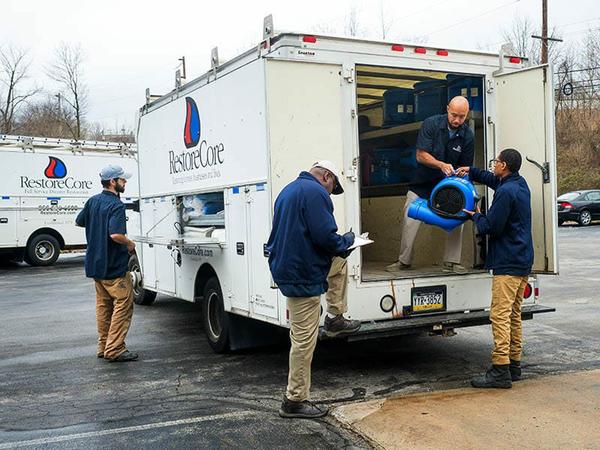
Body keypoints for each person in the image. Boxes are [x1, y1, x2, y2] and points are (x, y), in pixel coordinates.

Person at [266, 160, 361, 419]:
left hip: (291, 267)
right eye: (333, 188)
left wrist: (343, 248)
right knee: (303, 341)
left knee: (340, 263)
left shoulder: (288, 191)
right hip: (302, 275)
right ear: (327, 177)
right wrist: (349, 240)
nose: (330, 193)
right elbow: (326, 237)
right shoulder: (317, 193)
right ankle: (294, 400)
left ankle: (334, 317)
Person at [456, 148, 533, 388]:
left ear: (504, 166)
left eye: (496, 162)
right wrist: (473, 171)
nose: (493, 165)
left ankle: (500, 370)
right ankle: (513, 365)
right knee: (513, 315)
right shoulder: (519, 184)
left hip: (508, 263)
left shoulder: (506, 192)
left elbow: (492, 226)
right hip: (522, 260)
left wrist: (475, 216)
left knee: (499, 315)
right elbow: (493, 181)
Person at [387, 96, 474, 274]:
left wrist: (463, 175)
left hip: (448, 189)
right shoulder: (431, 124)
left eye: (462, 117)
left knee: (460, 217)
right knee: (409, 218)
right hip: (422, 184)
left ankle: (451, 262)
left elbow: (466, 167)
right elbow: (420, 155)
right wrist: (441, 165)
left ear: (467, 115)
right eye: (454, 115)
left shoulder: (468, 135)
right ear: (447, 109)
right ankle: (404, 261)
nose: (457, 120)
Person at [75, 165, 138, 363]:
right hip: (113, 266)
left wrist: (97, 224)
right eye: (122, 180)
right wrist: (129, 243)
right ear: (113, 182)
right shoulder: (116, 205)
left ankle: (103, 347)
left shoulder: (92, 201)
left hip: (95, 265)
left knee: (104, 307)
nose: (125, 182)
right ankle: (115, 348)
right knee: (123, 305)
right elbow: (115, 235)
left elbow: (79, 221)